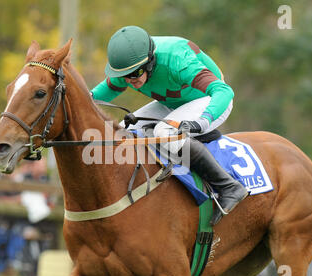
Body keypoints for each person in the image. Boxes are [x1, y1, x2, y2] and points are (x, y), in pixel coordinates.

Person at [91, 26, 247, 214]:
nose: (130, 80)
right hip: (173, 102)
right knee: (120, 131)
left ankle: (228, 186)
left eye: (135, 74)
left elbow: (223, 91)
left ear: (150, 62)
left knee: (163, 132)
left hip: (210, 100)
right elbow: (98, 94)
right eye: (124, 76)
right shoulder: (129, 68)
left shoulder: (177, 59)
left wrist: (203, 121)